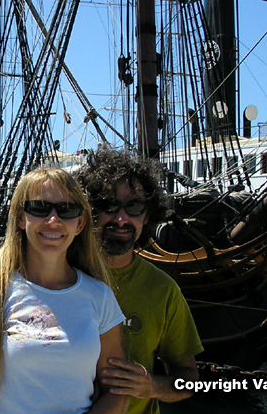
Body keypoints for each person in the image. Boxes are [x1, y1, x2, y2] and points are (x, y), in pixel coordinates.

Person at [0, 167, 128, 414]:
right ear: (22, 219)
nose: (53, 220)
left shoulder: (100, 297)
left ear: (80, 223)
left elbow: (116, 389)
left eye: (66, 210)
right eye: (39, 208)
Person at [77, 148, 203, 414]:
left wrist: (151, 387)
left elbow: (189, 379)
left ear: (147, 216)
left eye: (133, 206)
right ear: (89, 212)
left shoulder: (162, 290)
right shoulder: (62, 276)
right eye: (108, 205)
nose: (121, 218)